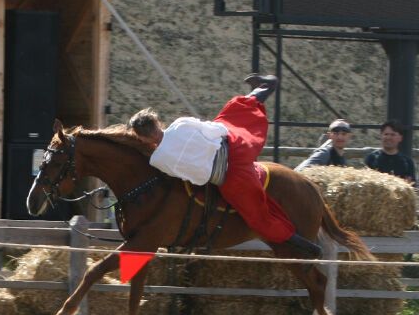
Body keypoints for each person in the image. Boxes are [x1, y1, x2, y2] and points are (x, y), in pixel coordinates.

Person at [128, 74, 322, 259]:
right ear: (157, 122)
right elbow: (214, 129)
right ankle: (263, 89)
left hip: (232, 177)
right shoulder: (181, 123)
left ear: (143, 138)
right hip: (236, 146)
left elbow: (184, 177)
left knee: (258, 217)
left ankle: (306, 246)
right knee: (234, 111)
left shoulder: (157, 159)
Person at [364, 120, 416, 184]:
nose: (388, 137)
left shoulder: (407, 162)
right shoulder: (372, 158)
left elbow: (410, 186)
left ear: (400, 138)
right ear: (381, 136)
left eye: (393, 135)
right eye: (386, 134)